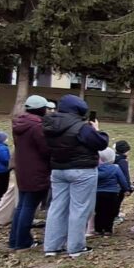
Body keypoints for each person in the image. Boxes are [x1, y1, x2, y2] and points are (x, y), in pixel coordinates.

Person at [42, 95, 110, 257]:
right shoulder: (82, 127)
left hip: (58, 169)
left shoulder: (49, 123)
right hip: (82, 170)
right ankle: (76, 247)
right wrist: (97, 130)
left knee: (57, 207)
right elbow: (100, 143)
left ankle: (52, 246)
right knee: (80, 208)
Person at [9, 95, 51, 250]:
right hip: (37, 170)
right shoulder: (37, 127)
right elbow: (45, 149)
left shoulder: (19, 123)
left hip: (23, 169)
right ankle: (22, 241)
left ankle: (15, 239)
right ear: (40, 109)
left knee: (22, 205)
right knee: (29, 207)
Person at [93, 148, 130, 236]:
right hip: (112, 193)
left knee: (99, 211)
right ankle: (108, 229)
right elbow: (122, 180)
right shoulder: (115, 168)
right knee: (110, 211)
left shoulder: (96, 169)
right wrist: (126, 189)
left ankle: (98, 229)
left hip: (98, 193)